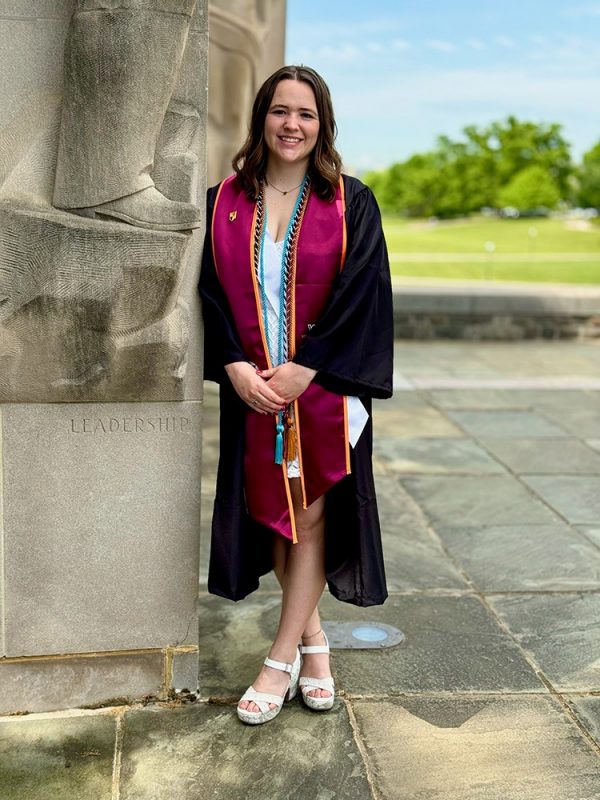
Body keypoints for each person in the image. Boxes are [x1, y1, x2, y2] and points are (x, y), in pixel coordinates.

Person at [199, 65, 393, 725]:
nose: (291, 125)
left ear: (323, 124)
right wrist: (232, 364)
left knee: (308, 516)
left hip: (324, 391)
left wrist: (305, 369)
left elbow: (360, 294)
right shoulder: (222, 200)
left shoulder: (350, 201)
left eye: (305, 114)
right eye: (280, 111)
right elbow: (208, 293)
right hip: (252, 390)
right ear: (262, 119)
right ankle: (315, 642)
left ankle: (277, 659)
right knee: (275, 518)